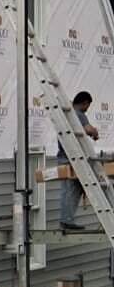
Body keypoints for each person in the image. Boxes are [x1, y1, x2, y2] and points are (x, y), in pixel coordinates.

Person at [60, 90, 99, 232]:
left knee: (71, 190)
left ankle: (67, 220)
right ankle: (66, 220)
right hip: (72, 159)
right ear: (85, 103)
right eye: (88, 105)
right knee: (71, 190)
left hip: (65, 157)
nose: (87, 108)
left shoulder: (66, 113)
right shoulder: (79, 114)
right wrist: (95, 132)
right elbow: (89, 130)